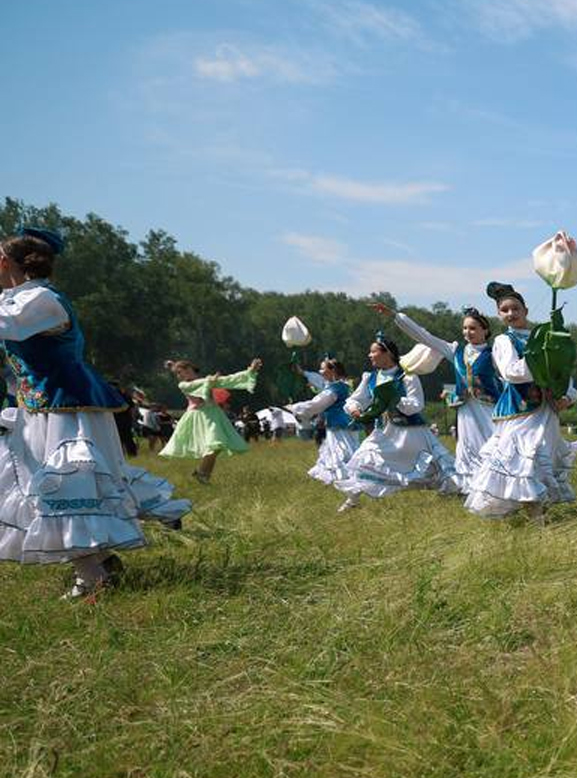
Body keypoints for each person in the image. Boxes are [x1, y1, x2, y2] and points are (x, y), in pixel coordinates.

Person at [0, 226, 190, 598]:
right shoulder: (21, 298)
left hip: (68, 409)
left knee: (65, 487)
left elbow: (8, 325)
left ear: (6, 262)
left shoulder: (40, 299)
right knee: (53, 489)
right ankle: (98, 563)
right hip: (44, 409)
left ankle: (93, 575)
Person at [463, 282, 577, 519]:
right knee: (522, 461)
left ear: (525, 310)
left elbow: (563, 371)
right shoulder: (503, 342)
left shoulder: (546, 336)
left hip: (546, 412)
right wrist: (540, 360)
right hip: (520, 411)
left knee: (541, 462)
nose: (510, 314)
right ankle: (536, 521)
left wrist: (568, 395)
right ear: (499, 314)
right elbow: (511, 372)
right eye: (504, 310)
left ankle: (540, 514)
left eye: (515, 308)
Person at [380, 303, 499, 492]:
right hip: (466, 411)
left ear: (485, 330)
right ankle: (471, 489)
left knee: (492, 444)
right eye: (465, 328)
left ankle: (497, 487)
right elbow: (424, 336)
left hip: (489, 409)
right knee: (468, 447)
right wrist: (396, 316)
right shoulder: (455, 351)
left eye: (473, 328)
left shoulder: (495, 352)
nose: (468, 332)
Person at [337, 335, 458, 510]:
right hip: (384, 432)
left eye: (373, 351)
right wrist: (355, 409)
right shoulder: (370, 378)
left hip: (411, 432)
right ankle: (353, 500)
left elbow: (417, 404)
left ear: (388, 354)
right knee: (364, 457)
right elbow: (356, 399)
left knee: (433, 466)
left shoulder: (407, 377)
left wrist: (396, 400)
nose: (369, 355)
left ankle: (454, 493)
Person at [159, 355, 262, 484]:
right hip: (199, 416)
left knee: (217, 446)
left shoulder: (207, 381)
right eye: (178, 373)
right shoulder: (183, 385)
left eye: (183, 371)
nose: (181, 375)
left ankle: (203, 475)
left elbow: (227, 380)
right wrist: (210, 380)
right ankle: (202, 474)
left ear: (191, 369)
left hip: (213, 414)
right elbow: (199, 384)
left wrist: (250, 371)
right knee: (215, 445)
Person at [284, 357, 361, 492]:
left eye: (322, 368)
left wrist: (294, 408)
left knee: (343, 454)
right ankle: (342, 481)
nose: (320, 371)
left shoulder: (335, 388)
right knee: (334, 452)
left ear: (332, 371)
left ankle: (351, 481)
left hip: (340, 425)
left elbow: (317, 404)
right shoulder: (339, 386)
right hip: (341, 424)